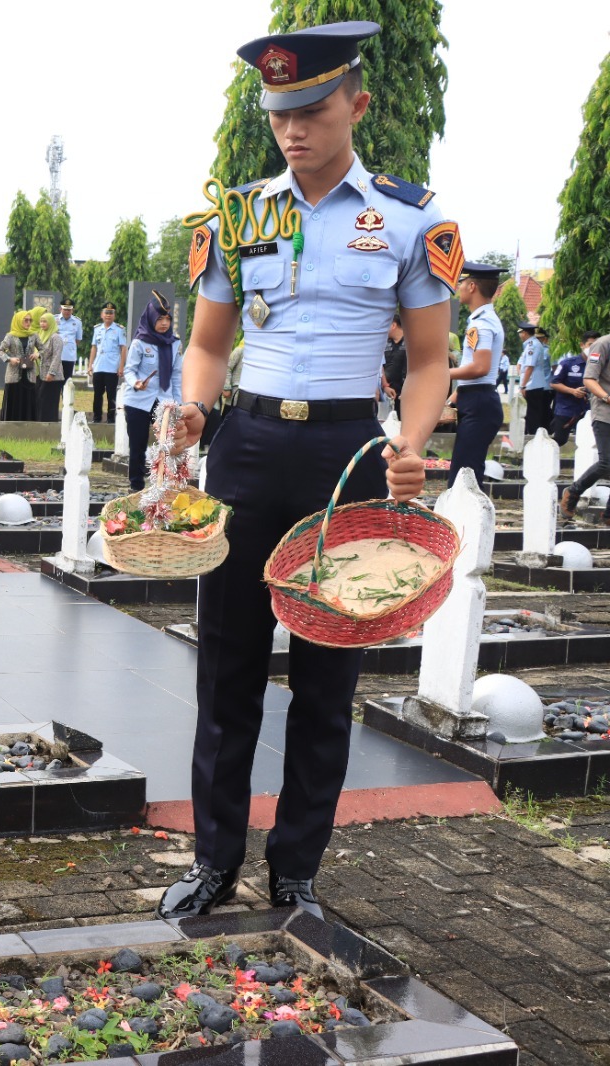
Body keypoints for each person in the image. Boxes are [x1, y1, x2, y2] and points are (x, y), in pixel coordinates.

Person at [161, 20, 451, 922]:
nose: (294, 129)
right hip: (245, 446)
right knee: (227, 668)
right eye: (280, 111)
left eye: (314, 110)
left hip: (348, 459)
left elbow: (432, 358)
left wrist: (408, 445)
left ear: (356, 105)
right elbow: (210, 344)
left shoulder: (412, 217)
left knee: (327, 678)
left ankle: (297, 871)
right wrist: (194, 405)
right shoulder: (239, 214)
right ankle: (215, 860)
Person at [447, 264, 505, 489]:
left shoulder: (481, 323)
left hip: (479, 403)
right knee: (465, 471)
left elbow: (480, 367)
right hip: (475, 398)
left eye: (462, 283)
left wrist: (443, 373)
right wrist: (455, 394)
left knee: (464, 477)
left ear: (472, 286)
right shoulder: (482, 320)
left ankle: (466, 523)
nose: (459, 287)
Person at [121, 293, 183, 491]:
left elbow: (176, 376)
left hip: (163, 401)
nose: (164, 323)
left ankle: (162, 484)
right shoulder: (140, 342)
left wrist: (178, 405)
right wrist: (135, 382)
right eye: (160, 319)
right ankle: (136, 486)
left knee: (166, 445)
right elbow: (129, 370)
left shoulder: (174, 344)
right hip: (138, 400)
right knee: (137, 446)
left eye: (167, 319)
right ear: (150, 319)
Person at [561, 332, 610, 521]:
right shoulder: (603, 344)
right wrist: (606, 397)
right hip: (604, 411)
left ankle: (608, 515)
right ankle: (572, 493)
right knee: (606, 461)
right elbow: (589, 379)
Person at [548, 334, 589, 447]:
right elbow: (554, 383)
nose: (593, 348)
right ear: (582, 345)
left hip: (589, 409)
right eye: (590, 344)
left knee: (590, 442)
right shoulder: (568, 363)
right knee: (559, 439)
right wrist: (573, 391)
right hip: (567, 408)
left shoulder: (602, 364)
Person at [0, 309, 37, 421]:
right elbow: (0, 350)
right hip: (14, 374)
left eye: (30, 320)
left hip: (29, 374)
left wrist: (37, 354)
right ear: (19, 321)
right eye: (26, 320)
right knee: (14, 400)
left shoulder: (33, 335)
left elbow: (44, 350)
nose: (28, 323)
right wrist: (9, 359)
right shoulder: (10, 336)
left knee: (28, 400)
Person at [89, 301, 125, 423]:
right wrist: (90, 365)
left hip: (112, 366)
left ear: (114, 315)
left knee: (111, 395)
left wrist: (121, 367)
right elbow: (94, 347)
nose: (108, 315)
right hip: (98, 366)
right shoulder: (97, 329)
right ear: (102, 314)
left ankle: (111, 419)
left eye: (111, 313)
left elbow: (123, 349)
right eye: (106, 313)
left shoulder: (119, 329)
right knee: (97, 395)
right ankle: (96, 418)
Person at [518, 324, 553, 437]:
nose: (520, 335)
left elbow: (529, 367)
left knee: (532, 413)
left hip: (532, 384)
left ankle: (532, 437)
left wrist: (523, 385)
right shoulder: (532, 344)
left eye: (520, 332)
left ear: (525, 333)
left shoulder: (532, 345)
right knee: (532, 412)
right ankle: (532, 435)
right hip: (533, 383)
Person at [33, 308, 65, 422]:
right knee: (40, 399)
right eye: (41, 321)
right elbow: (43, 352)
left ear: (51, 322)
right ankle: (41, 424)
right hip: (42, 374)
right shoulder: (41, 335)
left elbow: (56, 357)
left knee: (48, 401)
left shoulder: (55, 337)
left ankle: (50, 425)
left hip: (53, 377)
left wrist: (51, 373)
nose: (42, 324)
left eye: (45, 321)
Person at [379, 315, 407, 418]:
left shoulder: (410, 342)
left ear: (393, 325)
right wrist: (385, 385)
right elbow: (380, 366)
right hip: (388, 392)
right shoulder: (385, 344)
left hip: (406, 393)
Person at [56, 299, 84, 377]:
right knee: (55, 382)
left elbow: (78, 340)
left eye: (69, 310)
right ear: (60, 309)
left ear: (72, 310)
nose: (67, 312)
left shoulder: (77, 322)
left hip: (69, 356)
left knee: (67, 380)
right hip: (56, 355)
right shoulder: (54, 319)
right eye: (65, 309)